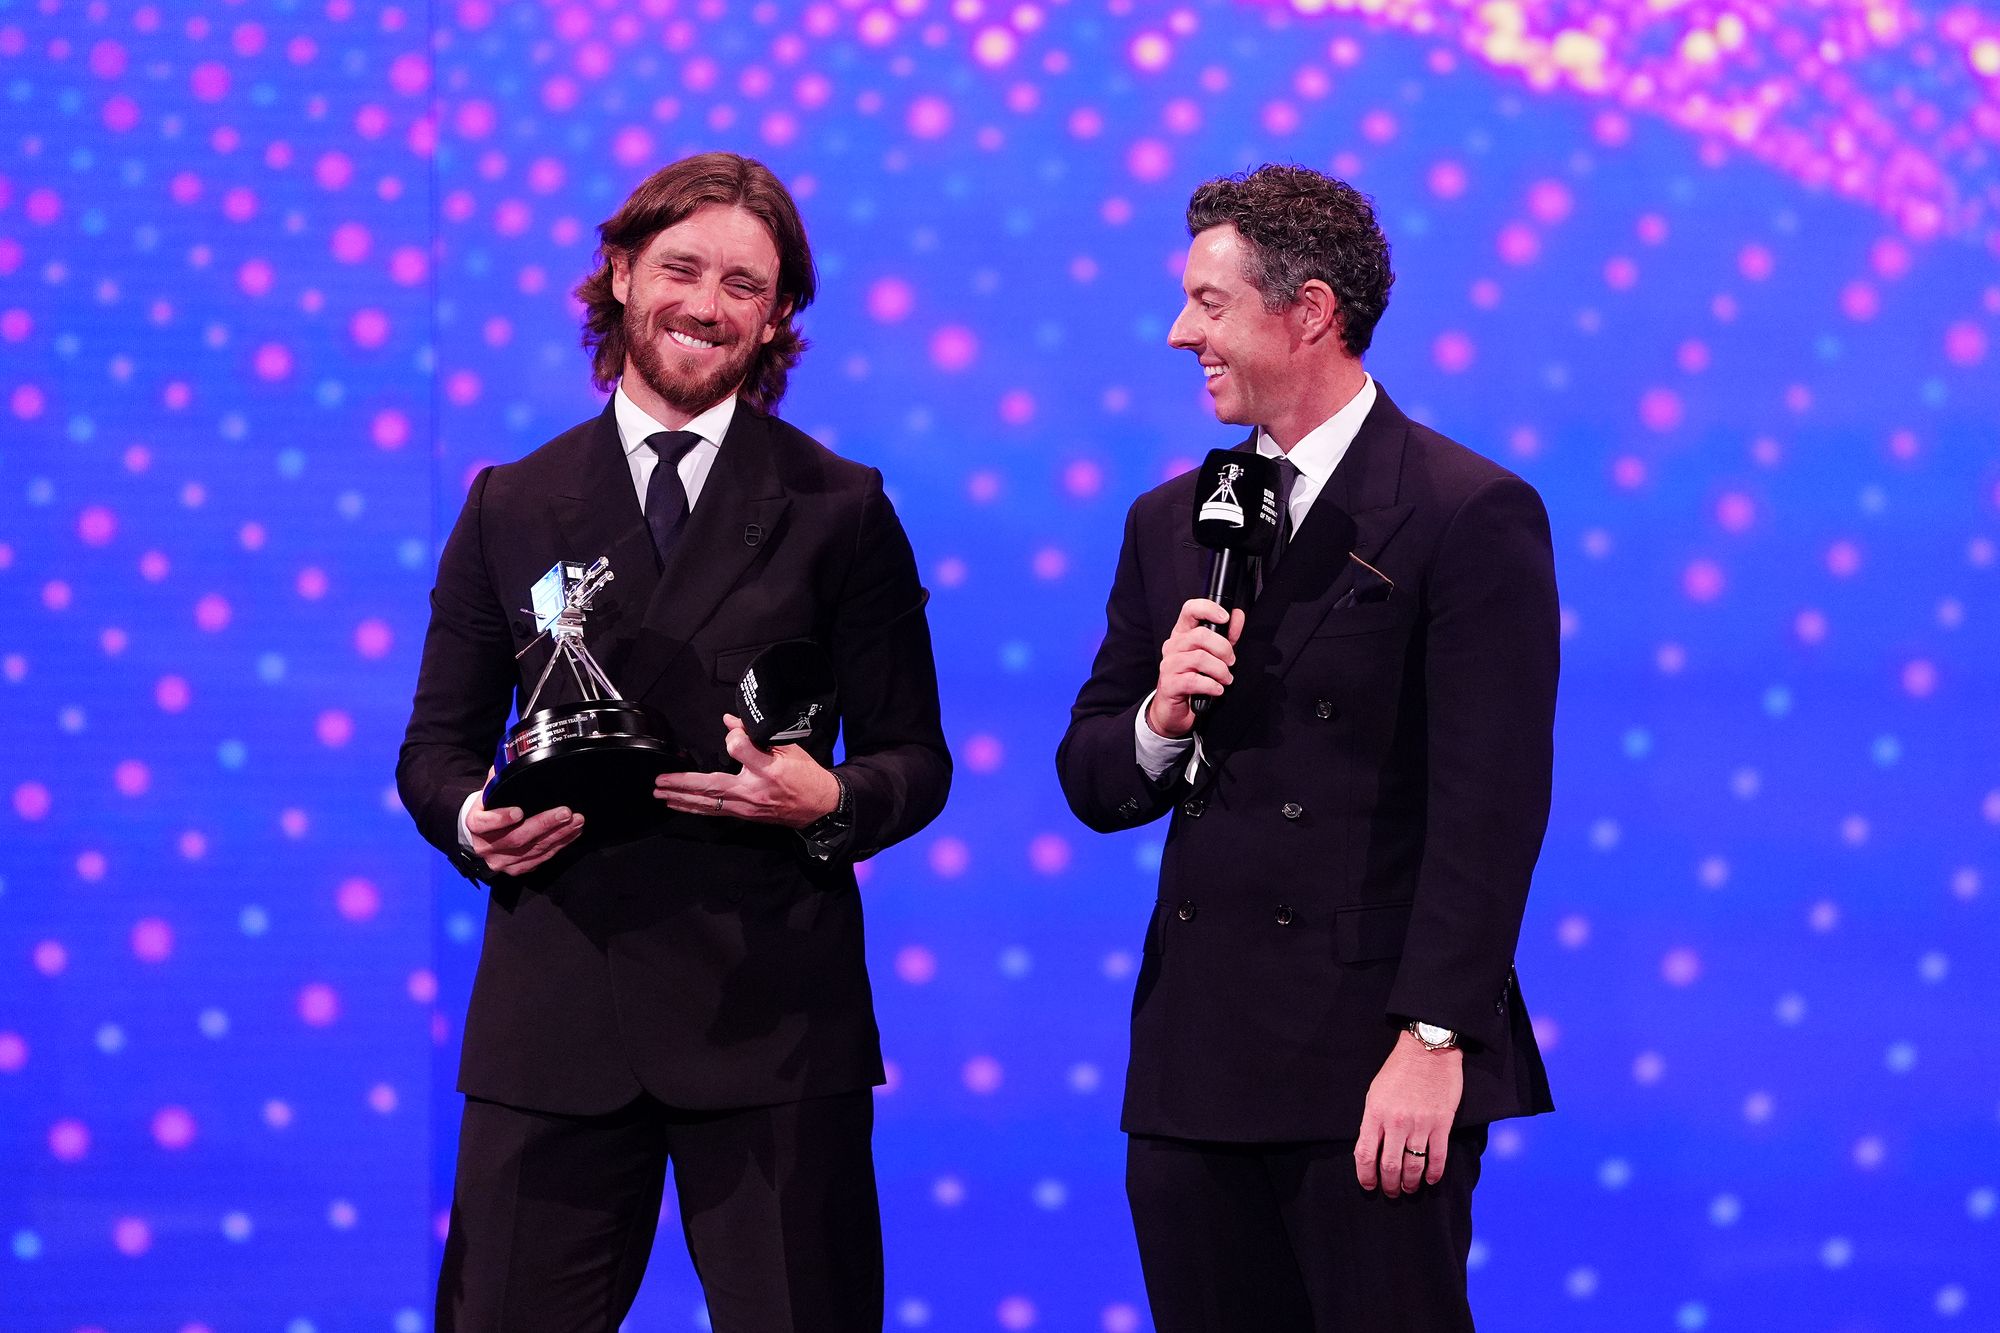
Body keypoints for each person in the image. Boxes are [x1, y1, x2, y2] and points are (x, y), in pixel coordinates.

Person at [398, 151, 951, 1332]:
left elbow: (915, 756)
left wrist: (828, 799)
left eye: (743, 285)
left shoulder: (840, 506)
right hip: (555, 1011)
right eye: (682, 269)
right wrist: (469, 821)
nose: (707, 304)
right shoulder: (510, 500)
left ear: (776, 318)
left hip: (771, 1019)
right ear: (619, 272)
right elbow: (434, 747)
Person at [1056, 165, 1558, 1331]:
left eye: (1208, 303)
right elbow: (1090, 776)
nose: (1181, 332)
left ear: (1310, 310)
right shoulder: (1169, 518)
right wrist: (1158, 722)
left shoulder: (1461, 509)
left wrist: (1434, 1038)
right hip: (1193, 1066)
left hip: (1369, 1060)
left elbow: (1489, 809)